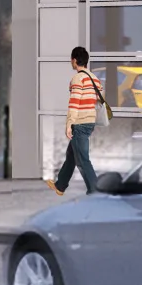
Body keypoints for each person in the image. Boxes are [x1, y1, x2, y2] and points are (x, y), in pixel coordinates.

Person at [55, 47, 106, 192]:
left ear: (75, 60)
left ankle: (96, 191)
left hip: (80, 122)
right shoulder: (95, 79)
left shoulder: (77, 79)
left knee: (82, 159)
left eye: (72, 60)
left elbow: (74, 102)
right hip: (90, 121)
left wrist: (69, 124)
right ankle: (60, 185)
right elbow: (98, 100)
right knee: (71, 155)